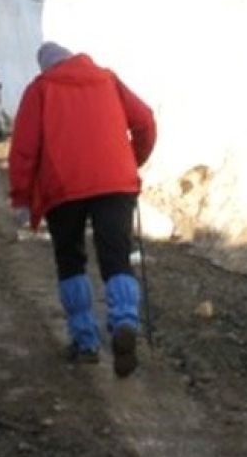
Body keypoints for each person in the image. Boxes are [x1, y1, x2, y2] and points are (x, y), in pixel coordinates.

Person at [9, 42, 156, 377]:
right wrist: (131, 162)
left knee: (71, 260)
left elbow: (25, 148)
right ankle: (124, 323)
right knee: (117, 257)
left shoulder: (41, 89)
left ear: (46, 66)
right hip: (115, 183)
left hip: (64, 187)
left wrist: (20, 197)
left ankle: (86, 342)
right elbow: (145, 121)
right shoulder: (107, 79)